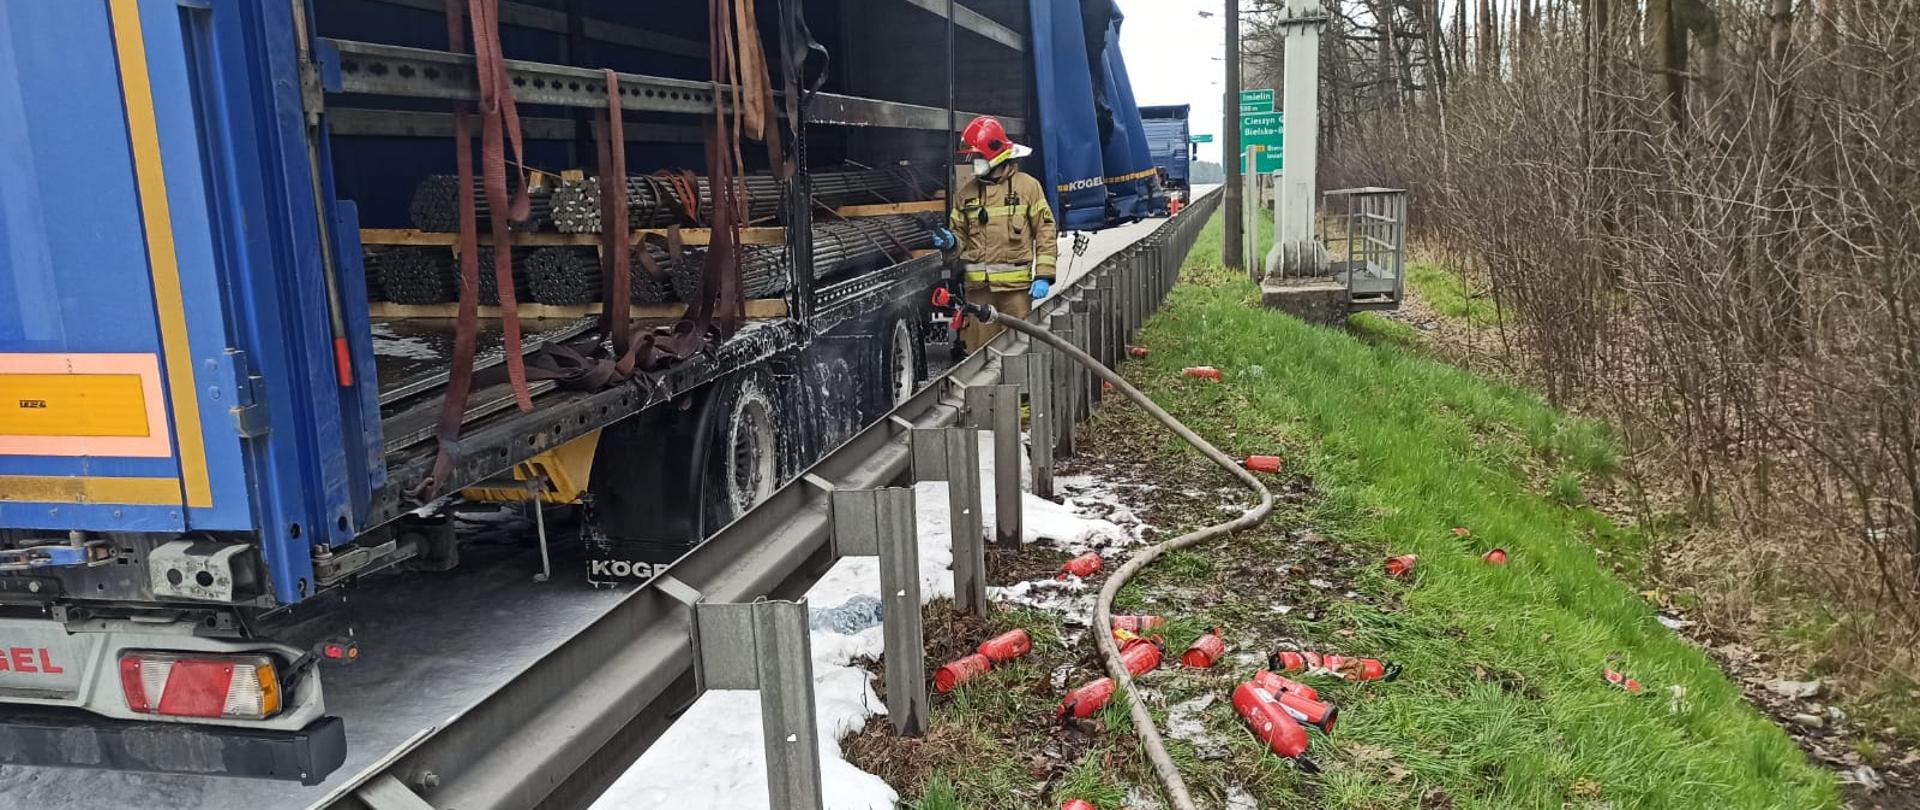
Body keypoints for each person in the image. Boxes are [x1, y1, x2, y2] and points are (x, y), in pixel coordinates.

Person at [950, 115, 1058, 353]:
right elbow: (958, 235)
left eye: (978, 156)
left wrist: (1044, 275)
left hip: (1015, 294)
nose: (974, 162)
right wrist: (950, 243)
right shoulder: (965, 193)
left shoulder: (1028, 187)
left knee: (1019, 353)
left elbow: (1045, 231)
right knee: (978, 358)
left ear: (994, 154)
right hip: (978, 294)